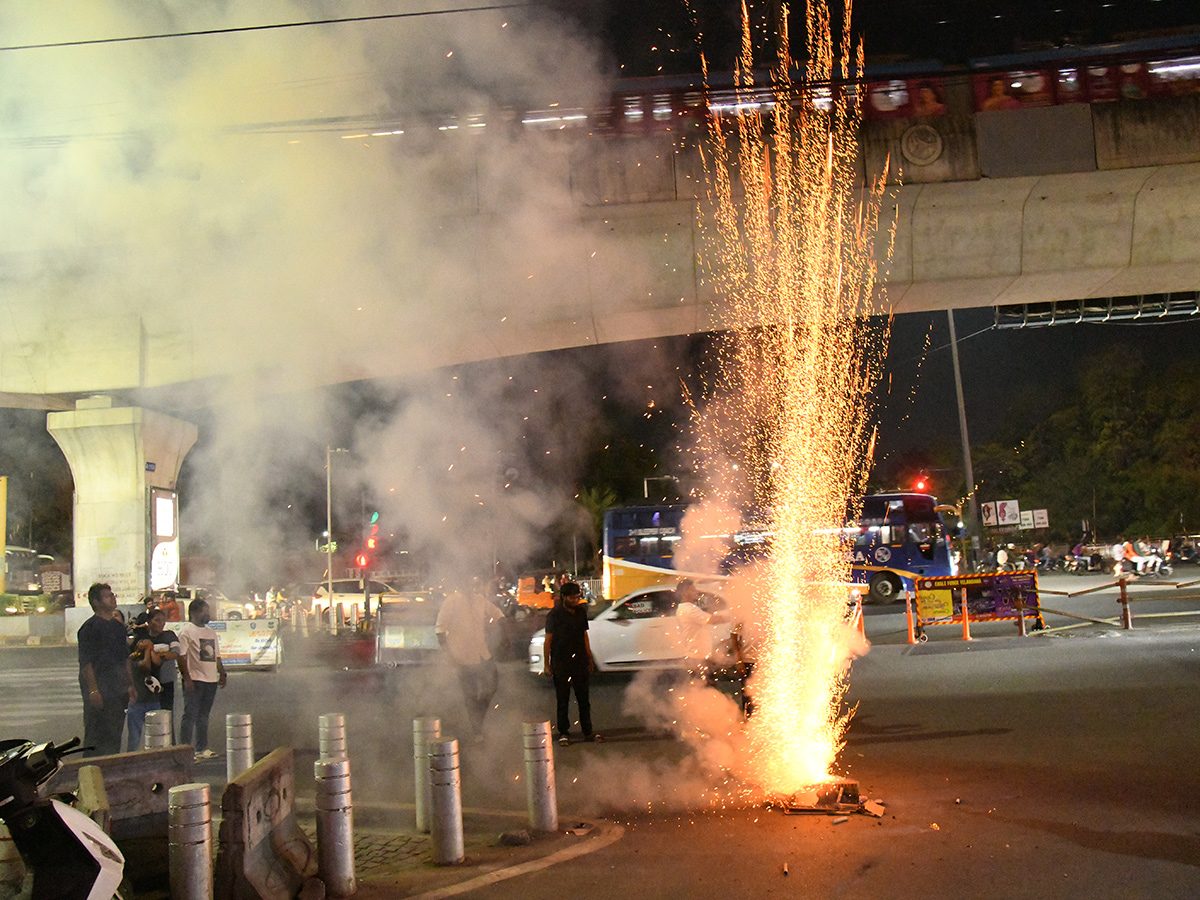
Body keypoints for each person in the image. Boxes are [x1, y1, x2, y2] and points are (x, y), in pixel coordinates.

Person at [435, 578, 499, 742]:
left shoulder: (479, 600)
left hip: (482, 654)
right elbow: (440, 631)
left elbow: (497, 614)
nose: (471, 587)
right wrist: (449, 655)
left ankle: (478, 713)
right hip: (462, 658)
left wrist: (505, 634)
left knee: (492, 685)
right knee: (469, 695)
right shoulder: (451, 602)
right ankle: (477, 730)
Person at [77, 583, 136, 757]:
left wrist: (130, 685)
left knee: (114, 734)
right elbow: (86, 663)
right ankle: (90, 772)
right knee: (95, 735)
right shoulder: (89, 628)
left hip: (117, 690)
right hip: (100, 690)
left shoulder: (118, 627)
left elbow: (125, 659)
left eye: (112, 594)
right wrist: (94, 690)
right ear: (96, 601)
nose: (113, 598)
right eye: (107, 596)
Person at [544, 582, 601, 745]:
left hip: (580, 661)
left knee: (584, 699)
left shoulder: (581, 612)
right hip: (561, 662)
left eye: (577, 597)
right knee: (563, 699)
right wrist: (547, 664)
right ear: (563, 597)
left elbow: (584, 635)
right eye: (572, 597)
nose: (575, 600)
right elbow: (548, 640)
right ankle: (563, 732)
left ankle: (588, 731)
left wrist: (589, 657)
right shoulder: (554, 615)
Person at [177, 599, 227, 761]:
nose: (208, 614)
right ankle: (184, 750)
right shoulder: (186, 632)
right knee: (190, 715)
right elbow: (181, 656)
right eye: (204, 611)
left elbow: (216, 656)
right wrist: (187, 678)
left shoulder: (211, 632)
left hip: (210, 680)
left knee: (204, 715)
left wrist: (222, 672)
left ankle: (201, 748)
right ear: (194, 613)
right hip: (195, 679)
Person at [126, 627, 166, 752]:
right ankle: (130, 759)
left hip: (153, 701)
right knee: (134, 737)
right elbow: (145, 665)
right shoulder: (133, 659)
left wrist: (150, 649)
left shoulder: (153, 656)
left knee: (157, 736)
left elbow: (157, 663)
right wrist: (148, 649)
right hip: (137, 702)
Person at [146, 608, 181, 742]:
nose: (161, 623)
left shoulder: (169, 635)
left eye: (163, 620)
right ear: (149, 622)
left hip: (166, 681)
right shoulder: (144, 637)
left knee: (167, 715)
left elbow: (176, 653)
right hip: (148, 683)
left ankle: (170, 744)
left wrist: (155, 654)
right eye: (157, 620)